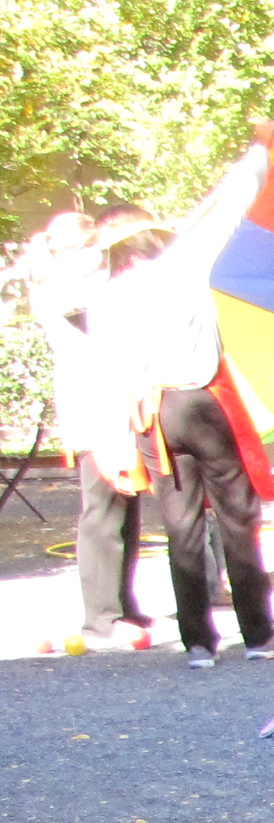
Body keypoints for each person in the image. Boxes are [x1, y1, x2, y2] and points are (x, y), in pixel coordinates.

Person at [87, 144, 274, 668]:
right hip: (203, 403)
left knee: (181, 526)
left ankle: (199, 643)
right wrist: (261, 150)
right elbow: (232, 205)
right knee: (237, 518)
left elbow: (107, 373)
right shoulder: (184, 265)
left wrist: (113, 444)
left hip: (153, 416)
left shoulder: (105, 297)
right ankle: (259, 635)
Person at [12, 210, 152, 654]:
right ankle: (100, 617)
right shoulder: (61, 288)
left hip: (111, 406)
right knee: (103, 512)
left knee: (123, 509)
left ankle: (120, 605)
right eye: (90, 246)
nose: (100, 255)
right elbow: (89, 293)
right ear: (70, 250)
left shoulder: (71, 282)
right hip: (95, 410)